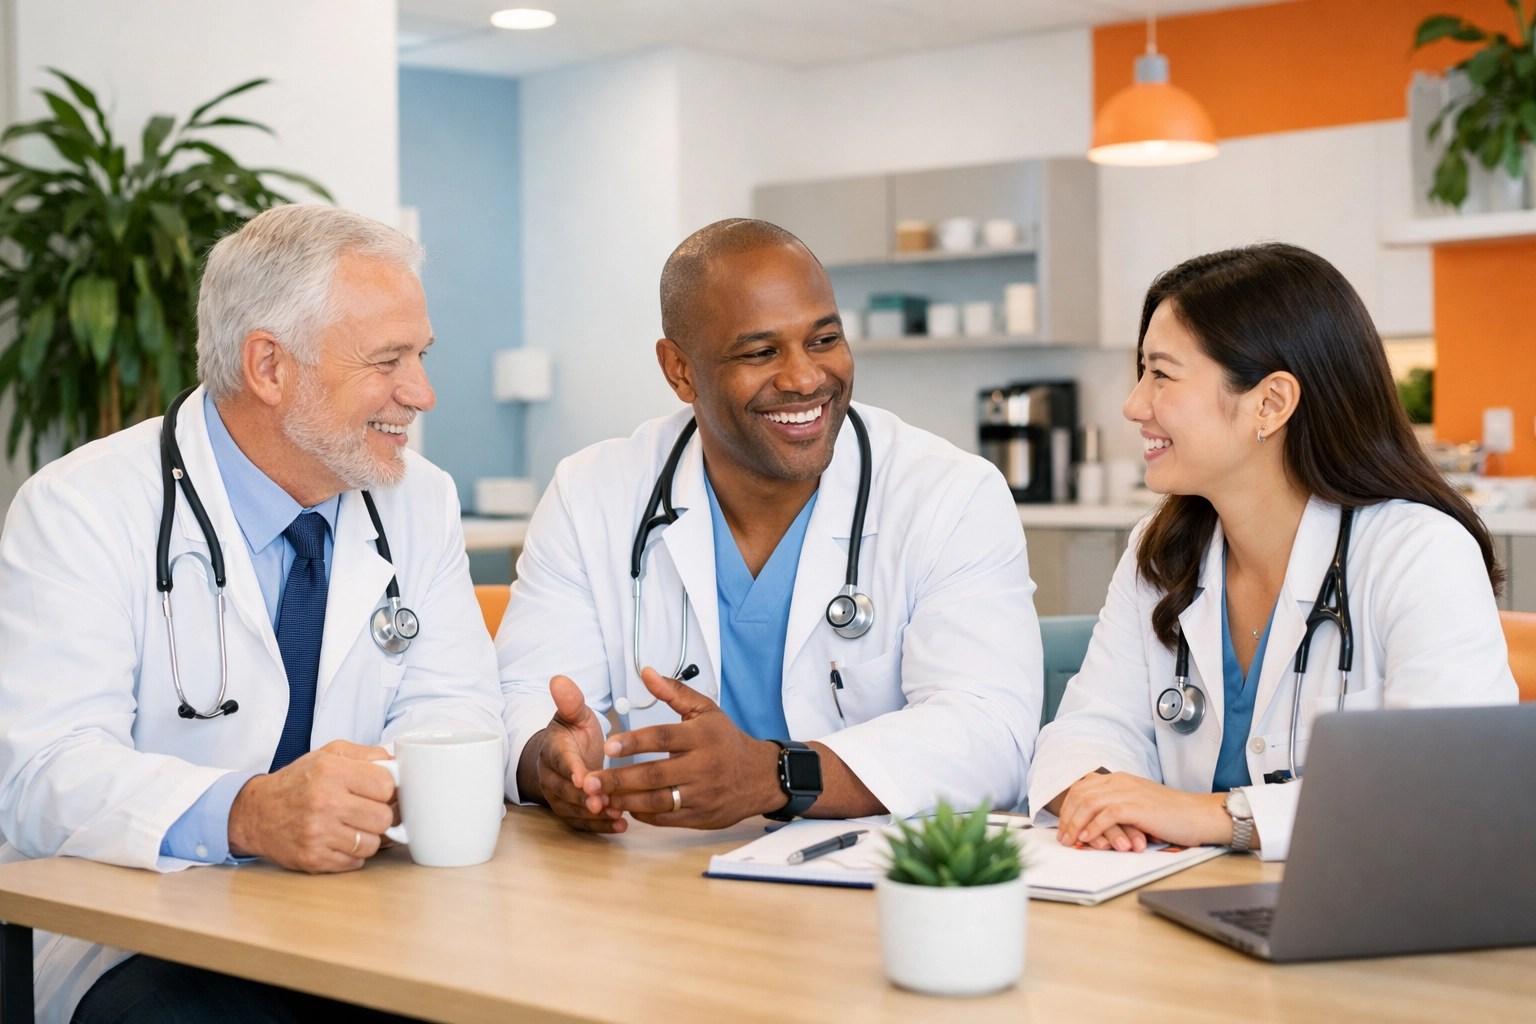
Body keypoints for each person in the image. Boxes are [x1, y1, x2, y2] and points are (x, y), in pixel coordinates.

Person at [0, 205, 505, 1023]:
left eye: (422, 356)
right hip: (150, 931)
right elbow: (41, 772)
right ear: (269, 365)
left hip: (365, 907)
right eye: (389, 361)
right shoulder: (80, 508)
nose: (422, 393)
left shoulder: (420, 499)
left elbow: (457, 705)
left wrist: (385, 791)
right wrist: (246, 813)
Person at [498, 218, 1041, 831]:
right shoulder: (592, 493)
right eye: (761, 353)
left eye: (824, 339)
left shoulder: (949, 494)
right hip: (653, 866)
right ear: (679, 371)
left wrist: (773, 775)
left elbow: (991, 732)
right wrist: (552, 762)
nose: (805, 378)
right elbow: (522, 701)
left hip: (870, 871)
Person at [1027, 243, 1518, 860]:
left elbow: (1449, 787)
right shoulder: (1163, 550)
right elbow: (1089, 726)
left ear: (1271, 403)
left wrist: (1216, 816)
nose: (1134, 405)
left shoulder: (1417, 553)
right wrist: (1098, 796)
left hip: (1353, 906)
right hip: (1175, 897)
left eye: (1162, 375)